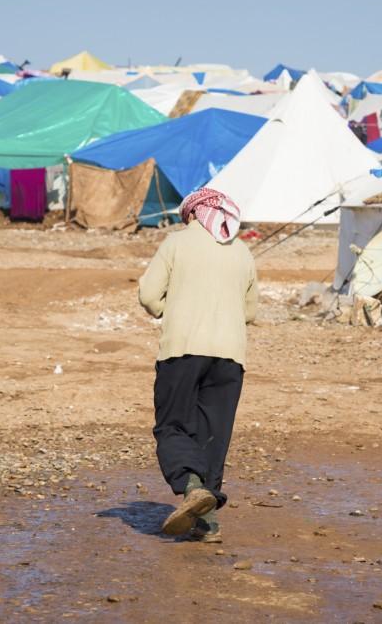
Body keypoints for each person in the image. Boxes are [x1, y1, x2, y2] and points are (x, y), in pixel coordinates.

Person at [138, 187, 258, 543]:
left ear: (191, 214)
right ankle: (207, 524)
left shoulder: (176, 244)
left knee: (172, 426)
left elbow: (148, 295)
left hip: (182, 350)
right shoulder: (242, 252)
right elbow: (251, 311)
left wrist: (168, 310)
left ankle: (191, 487)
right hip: (231, 357)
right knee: (213, 436)